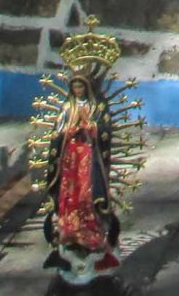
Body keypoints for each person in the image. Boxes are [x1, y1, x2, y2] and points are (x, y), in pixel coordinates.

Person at [43, 72, 122, 282]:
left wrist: (90, 127)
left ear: (86, 87)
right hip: (70, 159)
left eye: (81, 87)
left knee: (88, 194)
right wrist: (70, 131)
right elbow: (58, 134)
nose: (78, 90)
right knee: (70, 193)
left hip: (88, 157)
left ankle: (91, 228)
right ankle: (70, 229)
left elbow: (103, 131)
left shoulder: (97, 106)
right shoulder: (67, 108)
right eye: (75, 87)